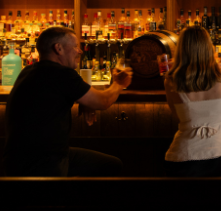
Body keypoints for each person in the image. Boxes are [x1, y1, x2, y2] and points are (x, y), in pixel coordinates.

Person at [4, 26, 132, 176]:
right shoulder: (60, 74)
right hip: (42, 162)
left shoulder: (31, 71)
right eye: (75, 46)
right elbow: (103, 101)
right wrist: (119, 83)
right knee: (111, 166)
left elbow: (68, 88)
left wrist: (85, 100)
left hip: (17, 158)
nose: (80, 51)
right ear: (58, 48)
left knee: (109, 164)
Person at [164, 26, 221, 177]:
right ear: (209, 46)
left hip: (185, 156)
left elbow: (177, 115)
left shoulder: (170, 79)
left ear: (181, 48)